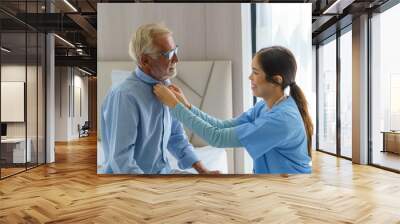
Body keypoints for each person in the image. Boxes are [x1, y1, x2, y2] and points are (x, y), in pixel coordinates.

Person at [153, 46, 313, 174]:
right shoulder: (265, 107)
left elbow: (217, 138)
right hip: (273, 186)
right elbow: (221, 127)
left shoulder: (282, 120)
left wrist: (174, 106)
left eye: (255, 72)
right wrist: (187, 106)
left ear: (277, 80)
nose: (250, 77)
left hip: (291, 191)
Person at [100, 23, 219, 174]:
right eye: (168, 54)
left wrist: (203, 171)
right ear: (145, 61)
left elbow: (176, 136)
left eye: (175, 50)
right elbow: (121, 160)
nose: (176, 59)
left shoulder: (165, 84)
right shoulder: (125, 96)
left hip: (163, 173)